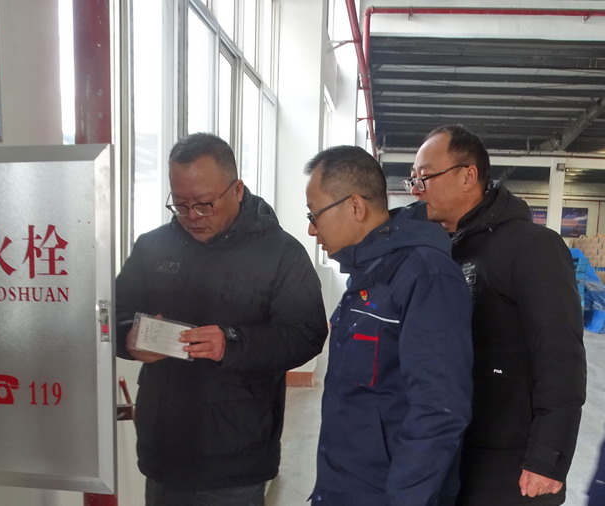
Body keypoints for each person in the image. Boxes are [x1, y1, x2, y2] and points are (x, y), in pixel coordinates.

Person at [116, 132, 328, 505]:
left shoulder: (280, 254)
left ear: (238, 190)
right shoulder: (152, 247)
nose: (192, 216)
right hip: (163, 449)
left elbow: (305, 334)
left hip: (237, 453)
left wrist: (231, 343)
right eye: (180, 204)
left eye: (204, 204)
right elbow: (113, 315)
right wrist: (127, 339)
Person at [407, 124, 587, 506]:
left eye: (425, 177)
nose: (416, 189)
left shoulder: (531, 247)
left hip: (511, 460)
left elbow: (561, 357)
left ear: (468, 176)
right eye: (413, 179)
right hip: (455, 446)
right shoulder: (443, 251)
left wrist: (547, 458)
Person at [305, 145, 474, 505]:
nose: (311, 229)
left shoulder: (426, 275)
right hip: (344, 487)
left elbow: (439, 411)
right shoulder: (369, 274)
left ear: (355, 206)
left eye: (314, 214)